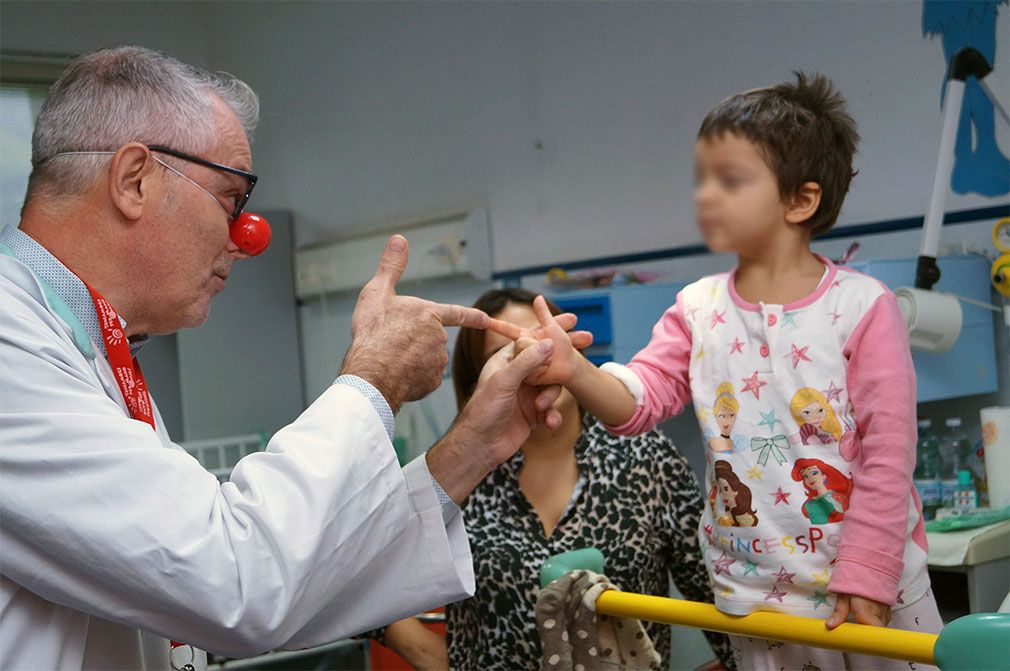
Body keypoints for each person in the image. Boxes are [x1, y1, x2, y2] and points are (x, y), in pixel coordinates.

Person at [0, 46, 576, 671]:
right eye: (231, 198)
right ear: (135, 179)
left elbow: (291, 585)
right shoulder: (13, 352)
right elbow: (234, 580)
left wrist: (473, 446)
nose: (245, 238)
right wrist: (372, 380)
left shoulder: (93, 353)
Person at [516, 73, 944, 670]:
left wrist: (870, 574)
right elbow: (637, 401)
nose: (707, 196)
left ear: (801, 200)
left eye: (731, 180)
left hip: (868, 591)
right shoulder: (698, 308)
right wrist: (576, 370)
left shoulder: (862, 306)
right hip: (753, 597)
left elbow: (889, 450)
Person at [375, 289, 733, 670]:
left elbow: (716, 598)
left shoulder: (646, 457)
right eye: (509, 354)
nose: (535, 361)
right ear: (480, 382)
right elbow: (360, 567)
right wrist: (437, 660)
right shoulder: (458, 472)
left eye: (542, 341)